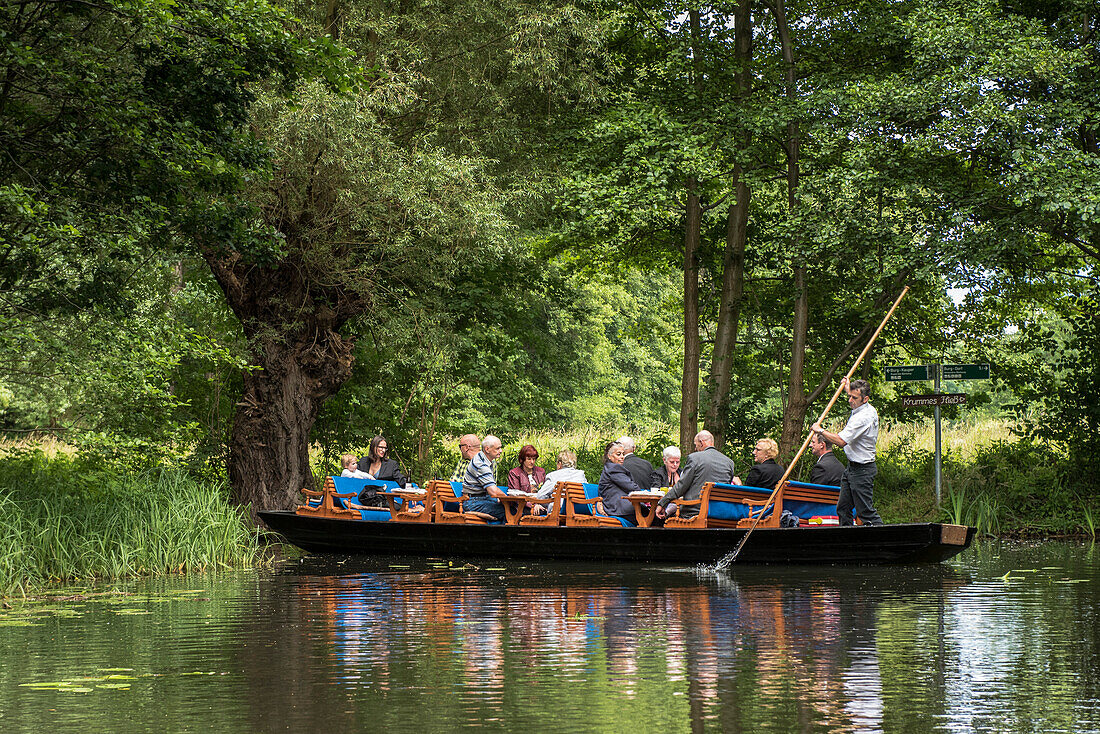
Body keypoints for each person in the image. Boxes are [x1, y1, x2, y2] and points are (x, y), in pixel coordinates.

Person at [812, 377, 884, 526]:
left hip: (863, 470)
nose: (850, 400)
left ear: (865, 399)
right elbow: (854, 396)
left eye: (854, 398)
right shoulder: (860, 407)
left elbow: (840, 441)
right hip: (852, 468)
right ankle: (848, 540)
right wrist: (847, 387)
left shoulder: (864, 417)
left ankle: (885, 539)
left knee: (865, 512)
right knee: (843, 508)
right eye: (849, 396)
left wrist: (820, 430)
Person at [656, 430, 736, 520]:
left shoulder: (695, 458)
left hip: (694, 512)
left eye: (696, 445)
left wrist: (662, 503)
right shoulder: (729, 462)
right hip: (720, 512)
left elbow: (681, 486)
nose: (695, 448)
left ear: (701, 443)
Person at [462, 434, 507, 521]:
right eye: (497, 448)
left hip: (484, 499)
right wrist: (507, 499)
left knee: (516, 510)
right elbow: (493, 492)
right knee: (509, 512)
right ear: (487, 449)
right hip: (473, 502)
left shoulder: (489, 461)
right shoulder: (480, 463)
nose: (501, 451)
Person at [597, 441, 643, 524]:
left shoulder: (610, 467)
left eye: (623, 454)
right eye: (618, 454)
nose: (622, 457)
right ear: (609, 456)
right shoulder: (613, 469)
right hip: (618, 509)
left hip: (618, 507)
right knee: (655, 517)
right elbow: (632, 487)